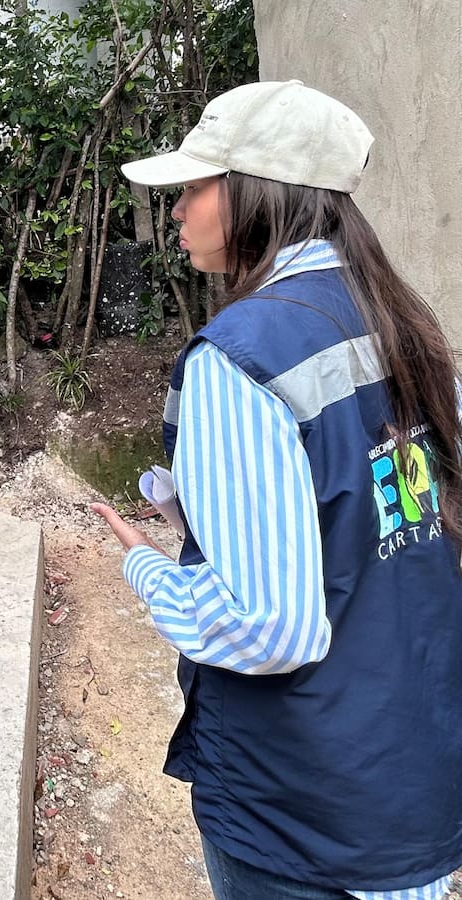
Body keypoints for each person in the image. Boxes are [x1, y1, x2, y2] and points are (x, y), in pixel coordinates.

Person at [92, 81, 462, 900]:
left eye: (193, 186)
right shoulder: (401, 322)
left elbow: (269, 626)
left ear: (258, 193)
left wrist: (146, 565)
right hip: (411, 781)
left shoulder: (239, 357)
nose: (178, 211)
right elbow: (388, 510)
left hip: (303, 810)